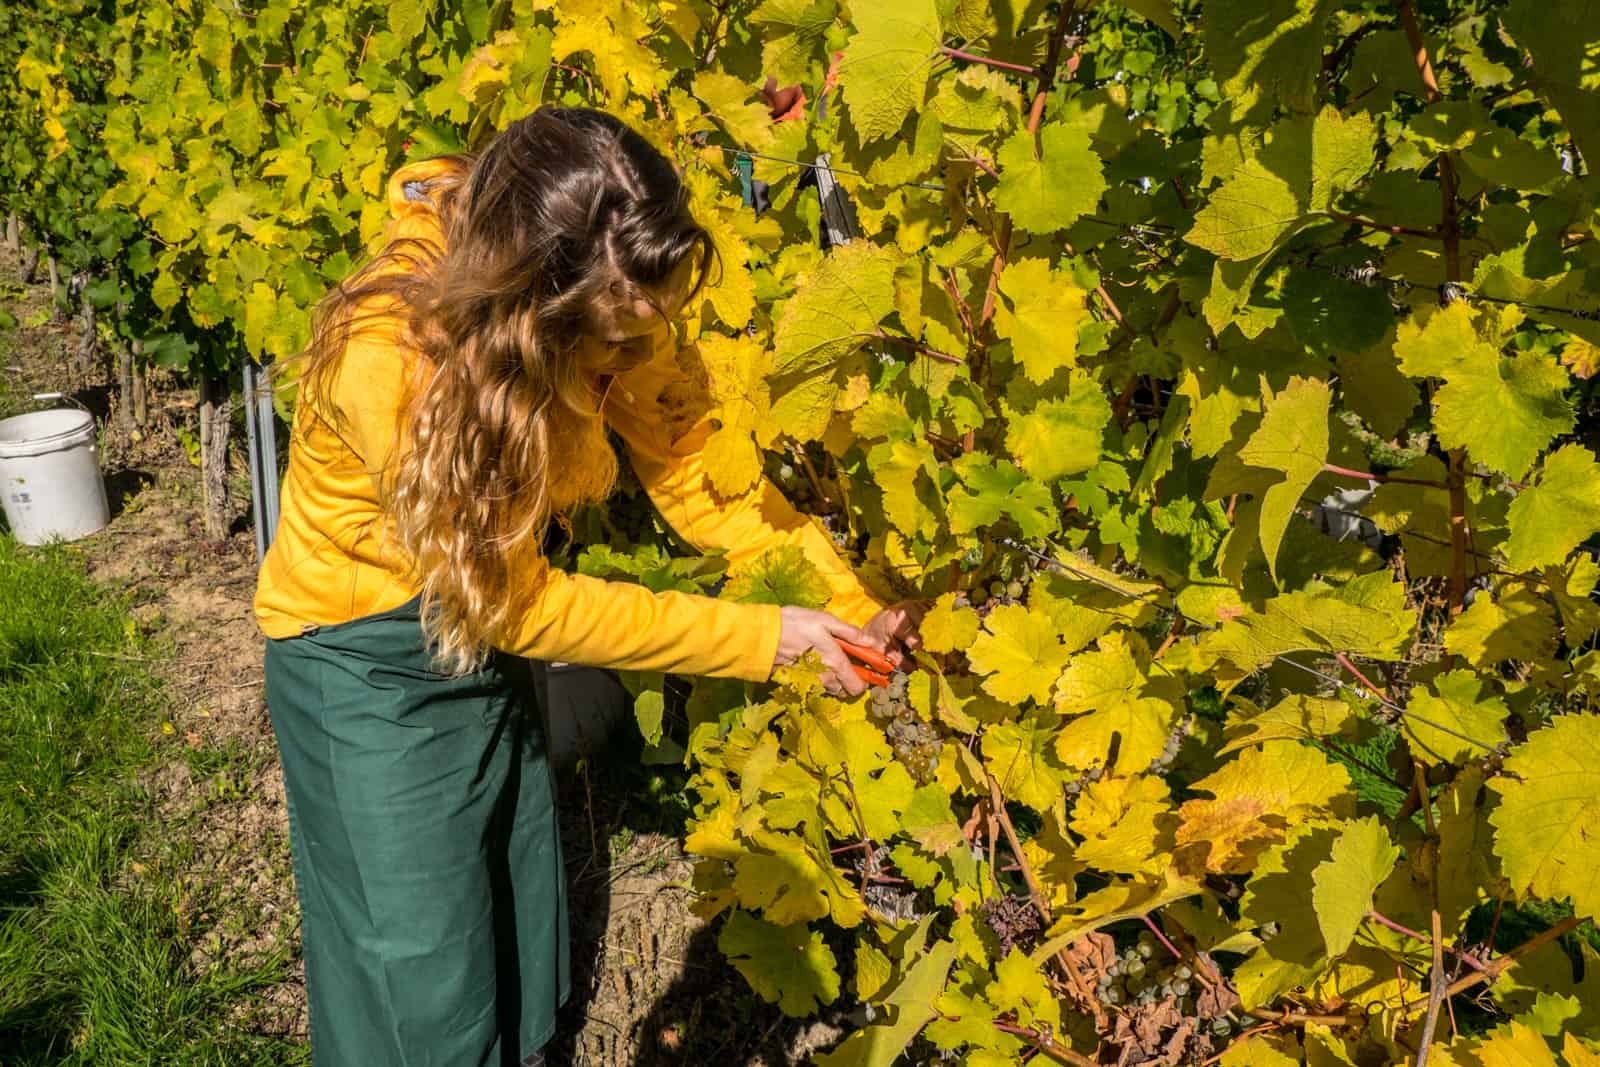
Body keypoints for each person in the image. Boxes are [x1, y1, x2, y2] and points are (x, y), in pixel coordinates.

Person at [252, 106, 921, 1067]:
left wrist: (845, 607)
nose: (642, 361)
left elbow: (696, 466)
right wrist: (758, 638)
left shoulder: (617, 288)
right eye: (614, 347)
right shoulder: (394, 359)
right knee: (417, 975)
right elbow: (515, 602)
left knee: (512, 925)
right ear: (529, 315)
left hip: (478, 623)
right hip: (361, 659)